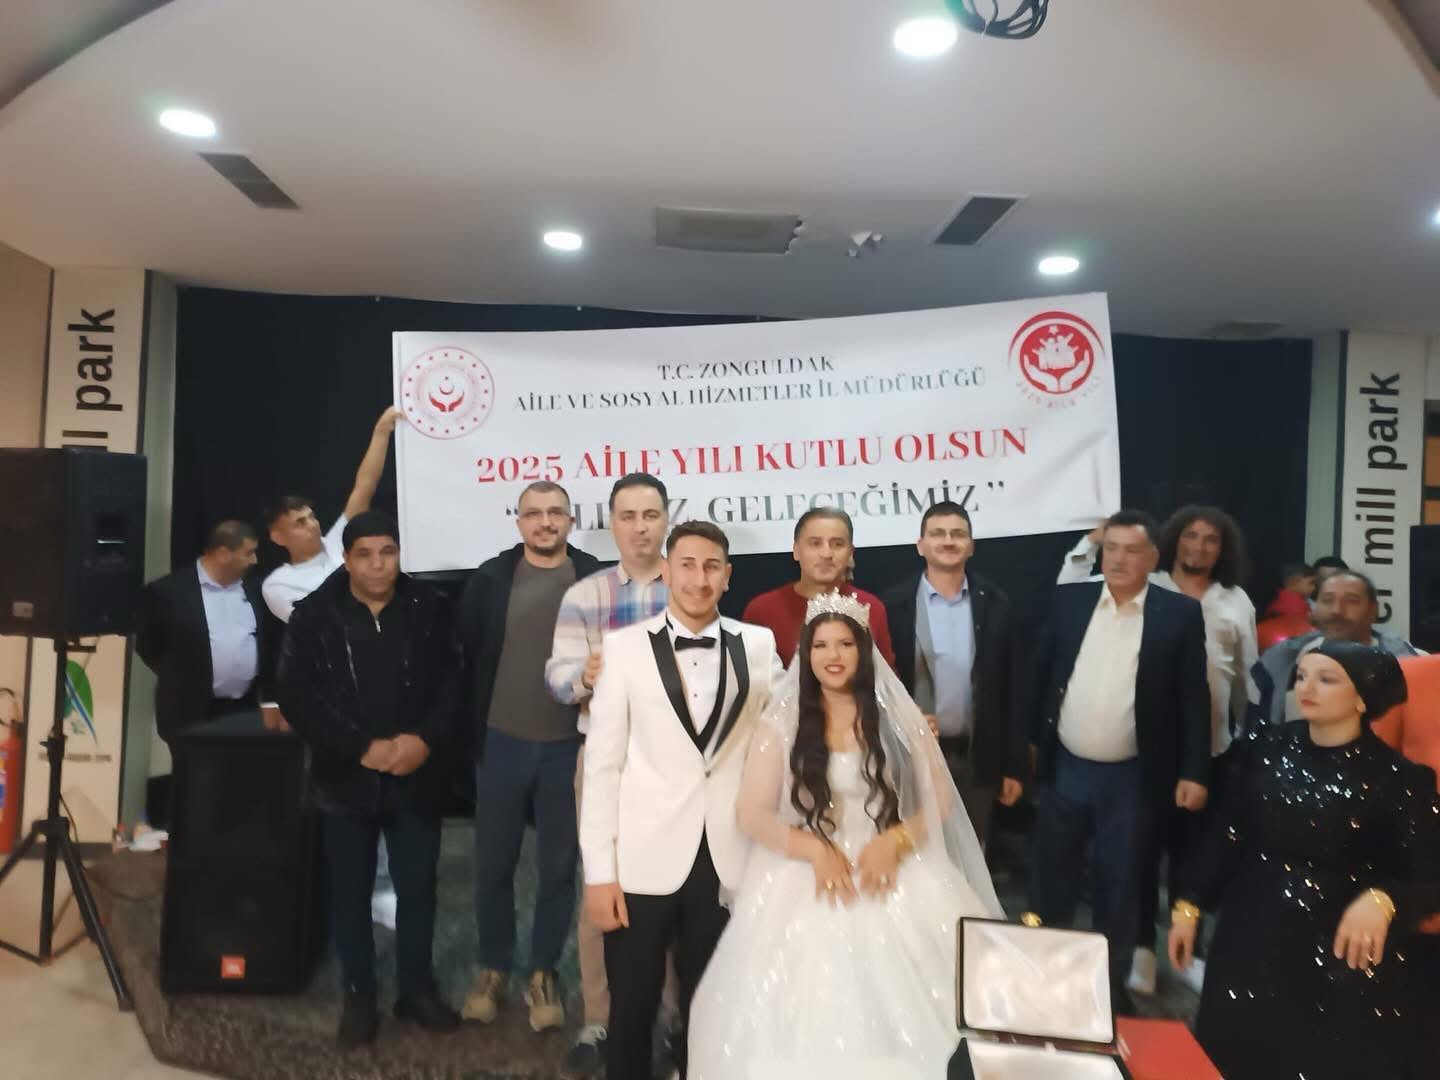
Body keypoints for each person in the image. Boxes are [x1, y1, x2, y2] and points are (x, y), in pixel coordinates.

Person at [688, 593, 1003, 1079]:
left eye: (844, 644)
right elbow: (752, 814)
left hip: (893, 868)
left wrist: (895, 842)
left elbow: (939, 800)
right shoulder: (780, 723)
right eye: (820, 646)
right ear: (806, 653)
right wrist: (814, 850)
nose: (832, 656)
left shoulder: (900, 718)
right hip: (808, 873)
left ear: (864, 650)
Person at [1169, 642, 1440, 1080]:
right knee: (1234, 1051)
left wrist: (1384, 899)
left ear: (1362, 698)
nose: (1306, 688)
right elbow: (1227, 833)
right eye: (1301, 676)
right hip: (1251, 933)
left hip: (1337, 950)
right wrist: (1189, 905)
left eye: (1326, 679)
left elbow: (1430, 876)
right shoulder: (1265, 748)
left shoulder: (1399, 780)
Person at [580, 521, 780, 1080]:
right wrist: (599, 875)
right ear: (666, 571)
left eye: (711, 566)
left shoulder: (759, 645)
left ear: (728, 576)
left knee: (712, 1007)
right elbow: (602, 769)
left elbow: (790, 729)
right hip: (641, 860)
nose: (699, 578)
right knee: (632, 1007)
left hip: (728, 857)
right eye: (687, 565)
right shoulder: (622, 649)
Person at [275, 511, 461, 1047]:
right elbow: (297, 696)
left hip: (416, 775)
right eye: (365, 555)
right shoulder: (314, 616)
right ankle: (359, 994)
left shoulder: (431, 607)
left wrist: (423, 740)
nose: (378, 565)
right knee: (350, 893)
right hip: (345, 779)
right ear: (347, 559)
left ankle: (416, 990)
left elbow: (455, 681)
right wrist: (362, 748)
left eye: (388, 552)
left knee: (418, 890)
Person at [1058, 505, 1257, 994]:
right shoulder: (1150, 586)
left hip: (1211, 749)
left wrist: (1243, 740)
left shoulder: (1234, 601)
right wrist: (1091, 541)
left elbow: (1244, 678)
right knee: (1139, 854)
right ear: (1169, 544)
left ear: (1223, 549)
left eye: (1210, 539)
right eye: (1190, 536)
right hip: (1151, 751)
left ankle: (1189, 950)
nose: (1199, 547)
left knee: (1194, 857)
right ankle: (1143, 948)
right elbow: (1069, 588)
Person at [1027, 509, 1211, 1007]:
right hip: (1067, 768)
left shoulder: (1178, 614)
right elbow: (1040, 675)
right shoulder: (1070, 601)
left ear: (1152, 558)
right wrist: (1026, 748)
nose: (1119, 559)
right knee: (1050, 879)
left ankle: (1105, 993)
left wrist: (1195, 770)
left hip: (1133, 777)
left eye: (1132, 550)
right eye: (1111, 548)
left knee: (1122, 884)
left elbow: (1194, 699)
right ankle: (1040, 984)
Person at [457, 482, 600, 1033]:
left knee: (558, 869)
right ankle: (493, 967)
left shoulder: (594, 579)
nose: (545, 522)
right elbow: (467, 654)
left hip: (569, 748)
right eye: (533, 513)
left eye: (555, 512)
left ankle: (543, 972)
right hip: (501, 744)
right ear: (519, 522)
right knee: (493, 865)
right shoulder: (491, 580)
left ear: (570, 520)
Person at [544, 471, 671, 1078]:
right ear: (612, 524)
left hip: (678, 765)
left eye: (651, 515)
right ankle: (600, 1018)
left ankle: (672, 1019)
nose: (640, 528)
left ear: (666, 520)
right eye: (628, 516)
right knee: (602, 883)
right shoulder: (586, 594)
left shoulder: (691, 581)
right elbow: (557, 678)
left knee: (676, 888)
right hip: (604, 762)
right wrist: (585, 677)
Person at [261, 404, 400, 927]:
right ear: (279, 537)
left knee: (382, 788)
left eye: (312, 516)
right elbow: (328, 621)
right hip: (327, 704)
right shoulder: (278, 584)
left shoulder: (342, 546)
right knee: (340, 798)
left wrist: (381, 432)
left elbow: (365, 484)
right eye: (298, 523)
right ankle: (341, 891)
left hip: (374, 690)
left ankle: (382, 888)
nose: (313, 524)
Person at [881, 501, 1024, 847]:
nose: (948, 541)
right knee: (918, 856)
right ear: (921, 545)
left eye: (958, 534)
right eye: (938, 534)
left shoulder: (996, 604)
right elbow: (879, 684)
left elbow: (1015, 689)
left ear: (971, 546)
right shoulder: (893, 605)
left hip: (977, 758)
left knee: (973, 854)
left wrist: (1015, 766)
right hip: (911, 759)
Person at [136, 520, 274, 748]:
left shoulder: (257, 589)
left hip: (244, 712)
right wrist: (182, 677)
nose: (254, 560)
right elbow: (148, 645)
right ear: (223, 554)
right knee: (191, 770)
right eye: (248, 553)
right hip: (189, 712)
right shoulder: (167, 592)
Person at [1252, 570, 1422, 729]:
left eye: (1351, 601)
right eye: (1327, 600)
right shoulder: (1283, 660)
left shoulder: (1408, 665)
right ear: (1315, 608)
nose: (1337, 610)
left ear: (1373, 610)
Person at [742, 507, 895, 668]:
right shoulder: (761, 610)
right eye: (815, 543)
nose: (826, 554)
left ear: (850, 553)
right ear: (796, 550)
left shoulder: (870, 608)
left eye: (837, 544)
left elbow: (887, 680)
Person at [1257, 562, 1315, 651]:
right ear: (1294, 582)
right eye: (1311, 583)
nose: (1314, 588)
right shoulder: (1295, 606)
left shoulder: (1279, 600)